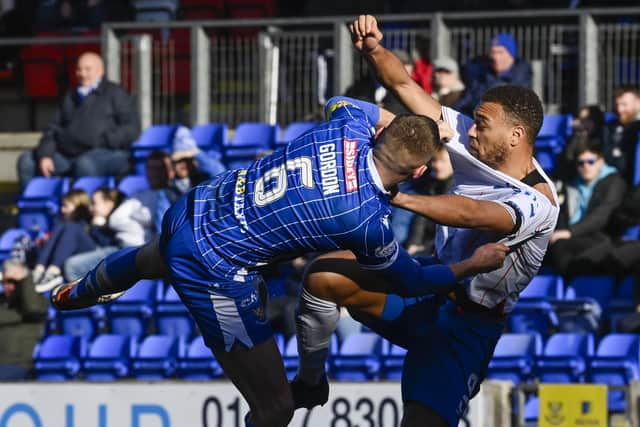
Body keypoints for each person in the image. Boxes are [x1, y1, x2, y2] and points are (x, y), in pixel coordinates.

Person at [49, 95, 508, 427]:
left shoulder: (346, 127)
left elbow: (339, 101)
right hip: (216, 268)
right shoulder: (364, 218)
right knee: (276, 409)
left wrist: (408, 126)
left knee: (156, 256)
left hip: (197, 206)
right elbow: (409, 282)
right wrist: (470, 264)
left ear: (381, 133)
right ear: (420, 172)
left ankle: (78, 292)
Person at [290, 15, 559, 427]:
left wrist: (394, 194)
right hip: (427, 284)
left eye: (482, 126)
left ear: (516, 135)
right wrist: (374, 50)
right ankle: (310, 382)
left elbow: (471, 213)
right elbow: (405, 88)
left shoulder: (539, 201)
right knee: (323, 275)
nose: (470, 133)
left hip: (466, 326)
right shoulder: (474, 138)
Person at [17, 52, 140, 190]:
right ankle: (34, 208)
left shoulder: (116, 93)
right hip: (68, 154)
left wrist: (102, 140)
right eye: (79, 69)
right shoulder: (70, 96)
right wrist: (45, 154)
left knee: (85, 164)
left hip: (107, 153)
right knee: (27, 161)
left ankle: (84, 209)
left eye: (87, 69)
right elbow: (53, 129)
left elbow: (131, 129)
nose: (82, 73)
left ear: (101, 71)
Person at [547, 140, 626, 279]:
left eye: (591, 161)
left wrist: (570, 232)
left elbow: (602, 215)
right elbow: (562, 214)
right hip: (575, 237)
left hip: (602, 237)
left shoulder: (614, 182)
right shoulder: (571, 185)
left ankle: (570, 286)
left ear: (601, 162)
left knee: (562, 248)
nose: (585, 166)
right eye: (581, 163)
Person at [32, 189, 93, 293]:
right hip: (71, 255)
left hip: (89, 254)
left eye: (66, 206)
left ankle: (53, 272)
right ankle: (40, 268)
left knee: (71, 227)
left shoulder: (86, 222)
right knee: (60, 225)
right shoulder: (62, 223)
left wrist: (97, 224)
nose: (62, 210)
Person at [457, 32, 532, 115]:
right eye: (493, 52)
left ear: (511, 55)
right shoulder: (482, 77)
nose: (495, 57)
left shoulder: (520, 78)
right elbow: (465, 102)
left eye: (500, 52)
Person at [0, 258, 48, 380]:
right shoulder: (3, 301)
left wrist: (25, 278)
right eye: (4, 282)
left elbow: (33, 308)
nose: (7, 286)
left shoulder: (37, 301)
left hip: (17, 364)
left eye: (13, 281)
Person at [403, 145, 454, 256]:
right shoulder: (433, 185)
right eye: (434, 161)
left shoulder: (456, 190)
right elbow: (421, 216)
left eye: (442, 161)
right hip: (428, 242)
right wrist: (414, 243)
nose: (437, 165)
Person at [604, 86, 640, 185]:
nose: (620, 109)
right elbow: (607, 152)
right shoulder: (610, 126)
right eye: (617, 105)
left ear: (638, 103)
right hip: (617, 180)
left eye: (624, 105)